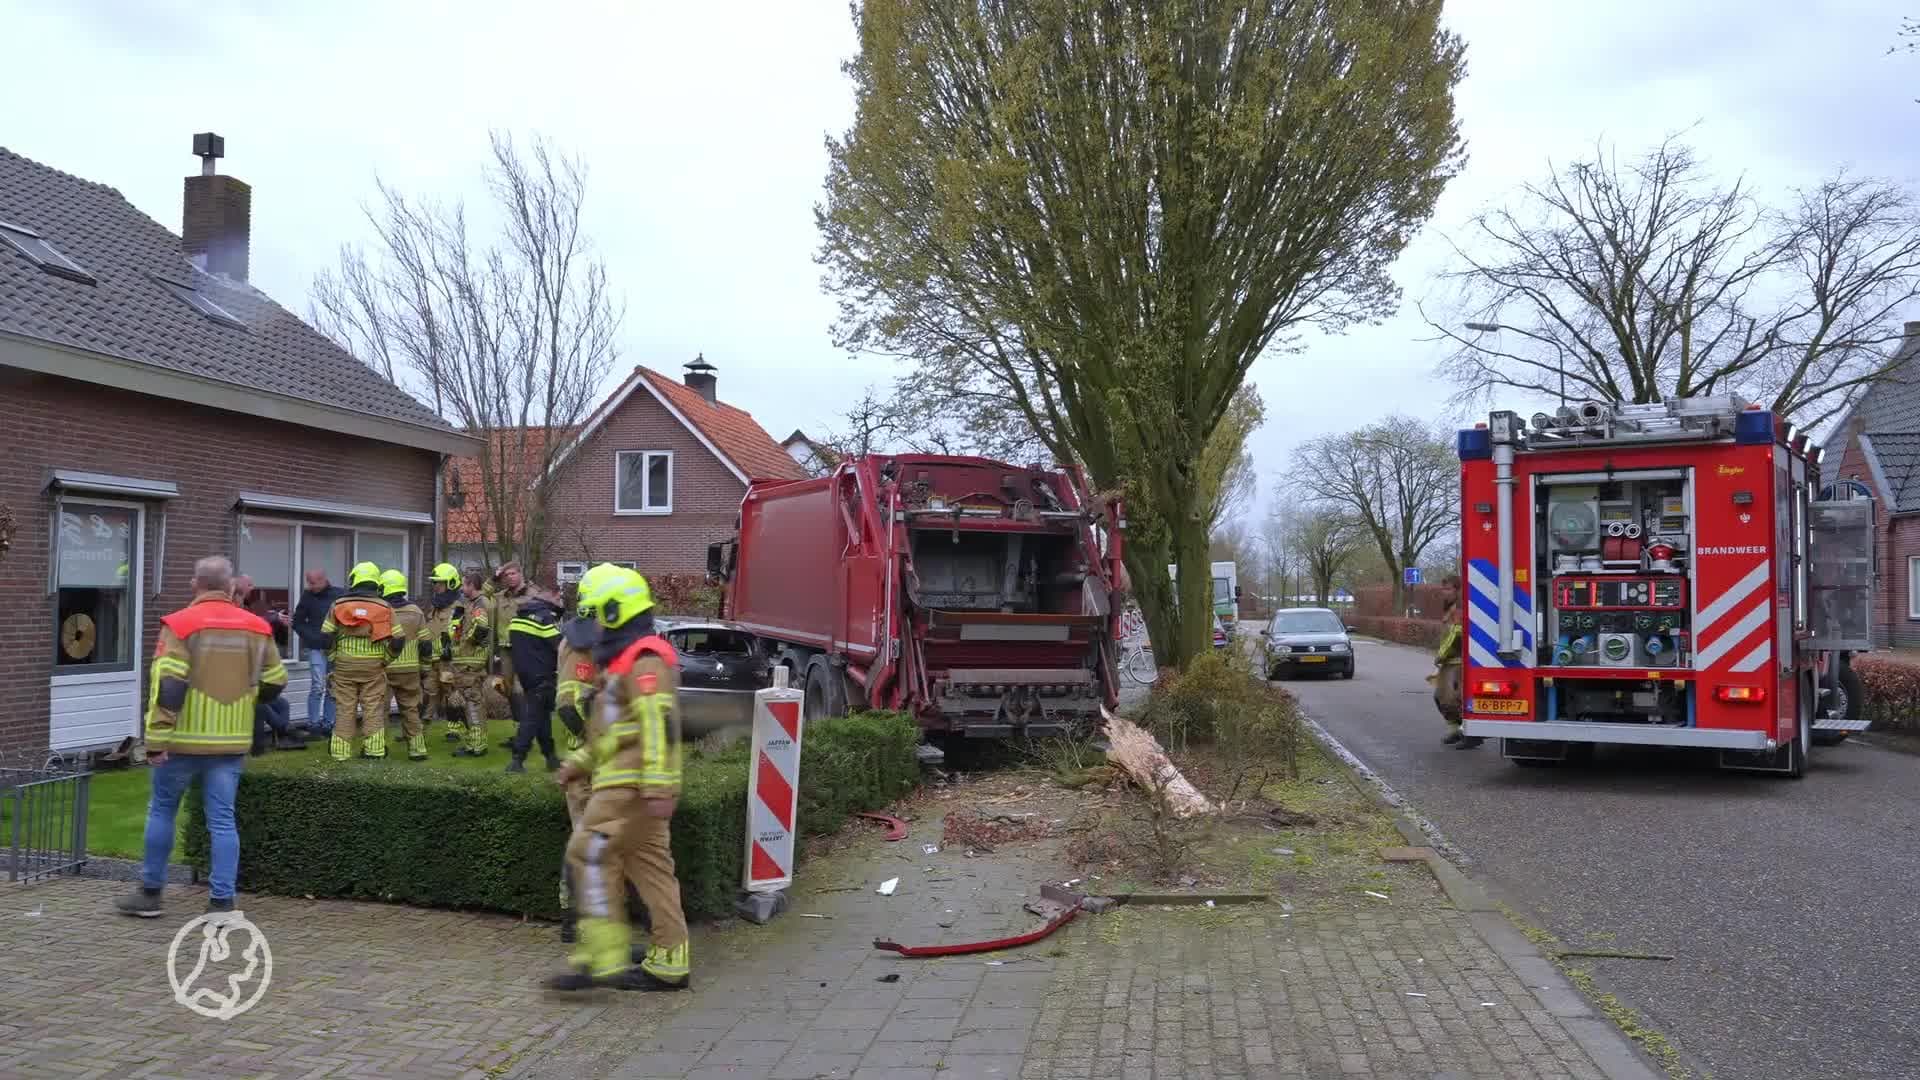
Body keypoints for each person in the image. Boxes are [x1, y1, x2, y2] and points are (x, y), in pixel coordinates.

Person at [117, 555, 286, 917]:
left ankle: (150, 895)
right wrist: (248, 701)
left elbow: (170, 686)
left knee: (162, 810)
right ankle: (222, 902)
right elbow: (276, 681)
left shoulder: (180, 625)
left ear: (196, 585)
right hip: (231, 742)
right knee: (222, 819)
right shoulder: (257, 627)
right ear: (229, 588)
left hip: (182, 742)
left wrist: (157, 740)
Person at [549, 565, 689, 992]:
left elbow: (657, 726)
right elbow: (619, 731)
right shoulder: (631, 662)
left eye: (598, 614)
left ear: (614, 611)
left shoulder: (644, 661)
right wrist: (580, 763)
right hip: (626, 784)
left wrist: (658, 788)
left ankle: (602, 956)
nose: (593, 625)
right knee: (652, 872)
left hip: (627, 787)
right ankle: (668, 960)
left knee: (587, 853)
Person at [322, 562, 395, 761]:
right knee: (372, 707)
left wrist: (333, 658)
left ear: (354, 579)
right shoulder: (385, 607)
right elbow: (399, 639)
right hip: (373, 667)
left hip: (344, 665)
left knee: (345, 707)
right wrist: (386, 659)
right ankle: (374, 750)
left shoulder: (338, 605)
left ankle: (340, 752)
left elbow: (326, 636)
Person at [233, 575, 302, 753]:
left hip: (260, 680)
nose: (253, 588)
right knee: (260, 706)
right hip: (249, 683)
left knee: (281, 704)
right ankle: (283, 733)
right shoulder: (235, 615)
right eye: (249, 585)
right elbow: (253, 623)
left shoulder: (246, 610)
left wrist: (274, 618)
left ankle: (282, 738)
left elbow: (257, 620)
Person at [506, 591, 566, 774]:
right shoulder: (545, 617)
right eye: (560, 598)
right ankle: (517, 760)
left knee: (541, 717)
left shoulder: (518, 617)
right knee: (532, 719)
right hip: (542, 675)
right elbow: (560, 645)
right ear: (552, 599)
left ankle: (551, 757)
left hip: (526, 674)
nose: (562, 602)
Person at [380, 569, 432, 761]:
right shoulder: (416, 611)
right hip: (410, 670)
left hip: (384, 667)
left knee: (379, 709)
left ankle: (377, 748)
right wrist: (425, 667)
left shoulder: (381, 610)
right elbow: (426, 644)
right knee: (411, 709)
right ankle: (417, 750)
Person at [289, 569, 344, 740]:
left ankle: (328, 724)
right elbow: (297, 622)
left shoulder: (339, 595)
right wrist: (312, 638)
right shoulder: (307, 597)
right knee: (317, 686)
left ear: (323, 580)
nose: (310, 586)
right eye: (308, 582)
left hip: (335, 648)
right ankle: (313, 725)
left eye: (313, 582)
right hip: (317, 648)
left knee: (332, 687)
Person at [449, 567, 495, 758]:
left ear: (471, 585)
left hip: (471, 663)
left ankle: (476, 746)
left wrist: (467, 641)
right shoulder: (474, 602)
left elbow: (482, 627)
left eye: (463, 583)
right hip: (468, 663)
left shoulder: (479, 603)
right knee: (470, 703)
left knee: (472, 703)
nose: (461, 587)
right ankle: (475, 743)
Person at [1433, 590, 1481, 749]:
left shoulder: (1458, 609)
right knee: (1442, 697)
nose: (1443, 591)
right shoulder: (1449, 610)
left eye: (1446, 588)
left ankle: (1469, 733)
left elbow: (1456, 635)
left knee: (1454, 699)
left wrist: (1440, 655)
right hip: (1450, 663)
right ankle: (1458, 730)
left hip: (1457, 663)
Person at [423, 563, 463, 743]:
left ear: (451, 584)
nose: (436, 586)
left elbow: (460, 633)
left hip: (449, 660)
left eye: (440, 583)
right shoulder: (435, 607)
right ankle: (420, 729)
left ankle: (455, 729)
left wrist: (452, 649)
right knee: (430, 692)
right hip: (433, 659)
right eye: (435, 583)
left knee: (451, 693)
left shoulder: (458, 607)